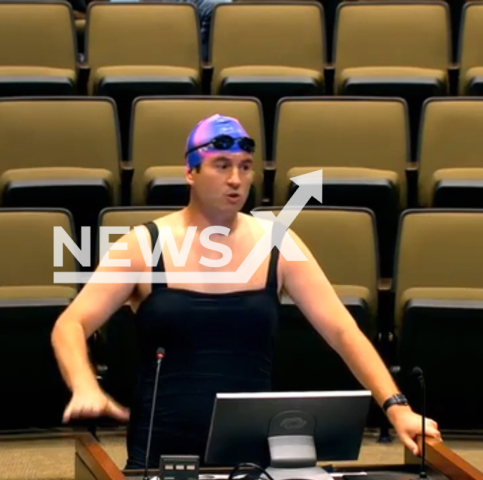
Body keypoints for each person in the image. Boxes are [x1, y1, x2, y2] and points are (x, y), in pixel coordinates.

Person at [50, 114, 442, 469]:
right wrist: (84, 382)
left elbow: (344, 333)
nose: (236, 179)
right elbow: (70, 324)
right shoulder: (143, 244)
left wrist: (397, 407)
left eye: (245, 167)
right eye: (222, 166)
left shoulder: (278, 243)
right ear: (191, 172)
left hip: (251, 456)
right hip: (161, 454)